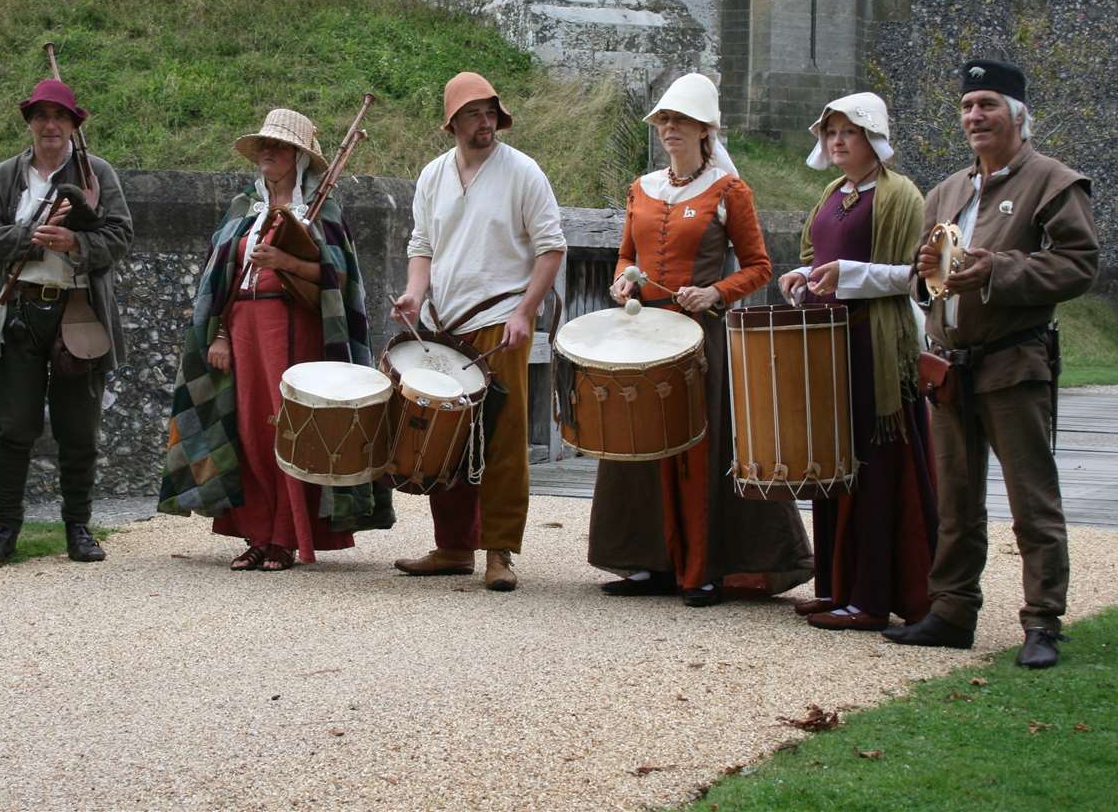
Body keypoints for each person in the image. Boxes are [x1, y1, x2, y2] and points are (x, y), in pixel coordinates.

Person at [885, 59, 1098, 669]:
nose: (975, 116)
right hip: (950, 368)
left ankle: (1042, 622)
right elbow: (923, 281)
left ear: (1018, 116)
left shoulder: (1054, 183)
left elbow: (1079, 265)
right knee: (955, 500)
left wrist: (999, 270)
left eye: (989, 105)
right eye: (968, 106)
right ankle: (952, 612)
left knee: (1033, 500)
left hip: (1014, 364)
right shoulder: (947, 192)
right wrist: (927, 281)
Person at [596, 73, 813, 607]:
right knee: (639, 440)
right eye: (664, 120)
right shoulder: (641, 188)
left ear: (704, 129)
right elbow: (626, 254)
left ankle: (706, 567)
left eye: (680, 120)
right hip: (643, 338)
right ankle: (648, 562)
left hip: (700, 339)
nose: (669, 128)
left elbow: (760, 267)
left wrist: (715, 292)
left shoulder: (728, 191)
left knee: (701, 447)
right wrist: (624, 278)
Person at [158, 109, 392, 569]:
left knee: (289, 428)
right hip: (242, 332)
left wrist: (283, 261)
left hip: (297, 331)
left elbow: (338, 278)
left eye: (280, 146)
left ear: (299, 158)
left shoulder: (323, 210)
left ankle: (287, 535)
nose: (268, 151)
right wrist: (220, 334)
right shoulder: (242, 208)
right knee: (245, 429)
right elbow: (219, 280)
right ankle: (257, 533)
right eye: (265, 144)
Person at [390, 72, 566, 591]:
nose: (485, 122)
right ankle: (452, 548)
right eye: (473, 114)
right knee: (443, 439)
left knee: (502, 441)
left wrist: (524, 311)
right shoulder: (432, 176)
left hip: (499, 323)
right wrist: (413, 296)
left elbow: (551, 248)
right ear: (452, 124)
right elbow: (422, 244)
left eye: (491, 112)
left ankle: (499, 552)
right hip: (442, 327)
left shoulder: (523, 172)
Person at [776, 93, 937, 631]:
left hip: (876, 350)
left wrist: (846, 273)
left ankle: (871, 597)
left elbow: (913, 277)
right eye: (831, 132)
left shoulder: (901, 196)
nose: (837, 141)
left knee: (872, 472)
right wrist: (800, 282)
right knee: (833, 467)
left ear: (873, 137)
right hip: (830, 347)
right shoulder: (830, 193)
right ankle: (835, 586)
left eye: (849, 132)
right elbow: (812, 261)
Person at [0, 78, 132, 564]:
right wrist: (31, 238)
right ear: (30, 123)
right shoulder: (5, 175)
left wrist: (76, 245)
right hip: (18, 310)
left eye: (59, 116)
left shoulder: (95, 174)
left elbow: (121, 236)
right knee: (14, 426)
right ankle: (5, 528)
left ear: (73, 125)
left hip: (78, 312)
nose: (50, 125)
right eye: (41, 116)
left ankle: (78, 529)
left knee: (78, 429)